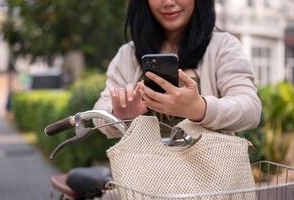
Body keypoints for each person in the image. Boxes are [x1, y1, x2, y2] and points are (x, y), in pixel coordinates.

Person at [93, 0, 262, 138]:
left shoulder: (223, 47)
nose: (168, 2)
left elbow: (250, 110)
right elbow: (98, 113)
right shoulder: (128, 55)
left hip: (211, 174)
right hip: (145, 175)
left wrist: (199, 108)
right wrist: (120, 113)